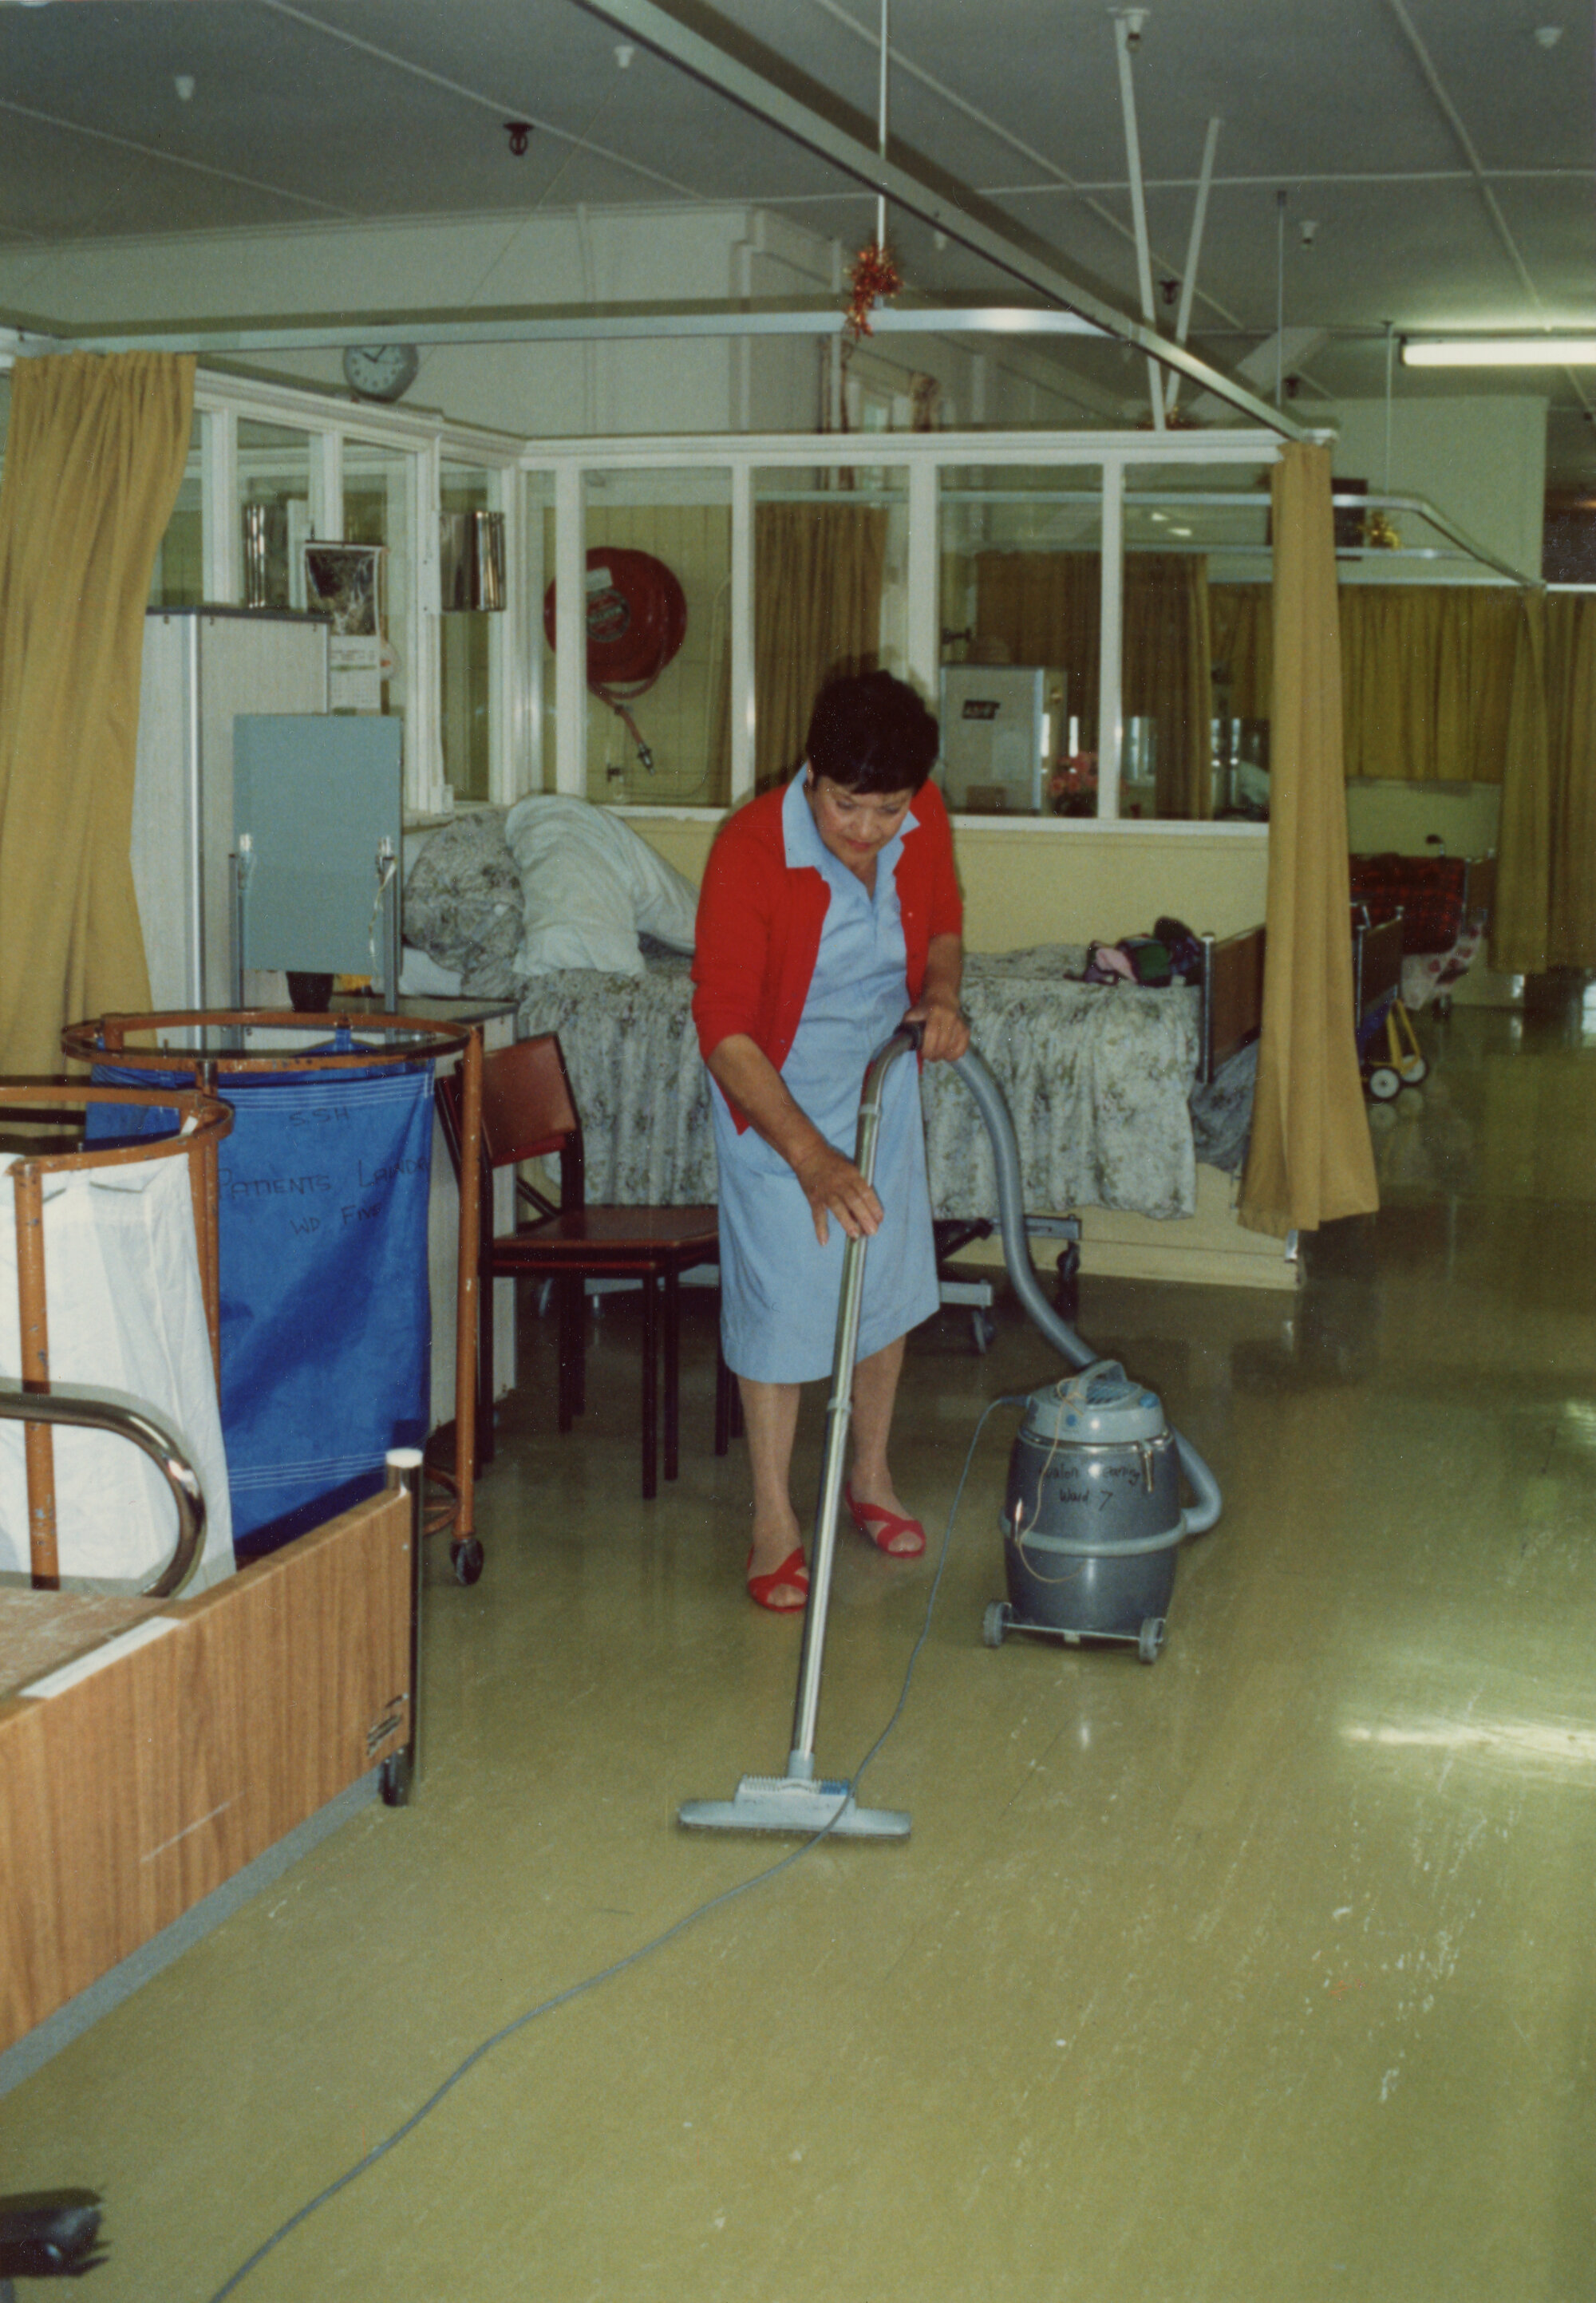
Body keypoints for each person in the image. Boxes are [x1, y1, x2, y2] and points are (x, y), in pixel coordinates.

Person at [691, 670, 970, 1612]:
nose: (864, 828)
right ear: (812, 772)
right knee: (781, 1308)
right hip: (775, 1096)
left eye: (884, 810)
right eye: (846, 805)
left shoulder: (917, 813)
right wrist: (809, 1158)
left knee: (880, 1289)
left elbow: (942, 928)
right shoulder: (749, 850)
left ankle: (869, 1478)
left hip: (879, 1088)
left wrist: (941, 997)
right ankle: (773, 1518)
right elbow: (724, 1030)